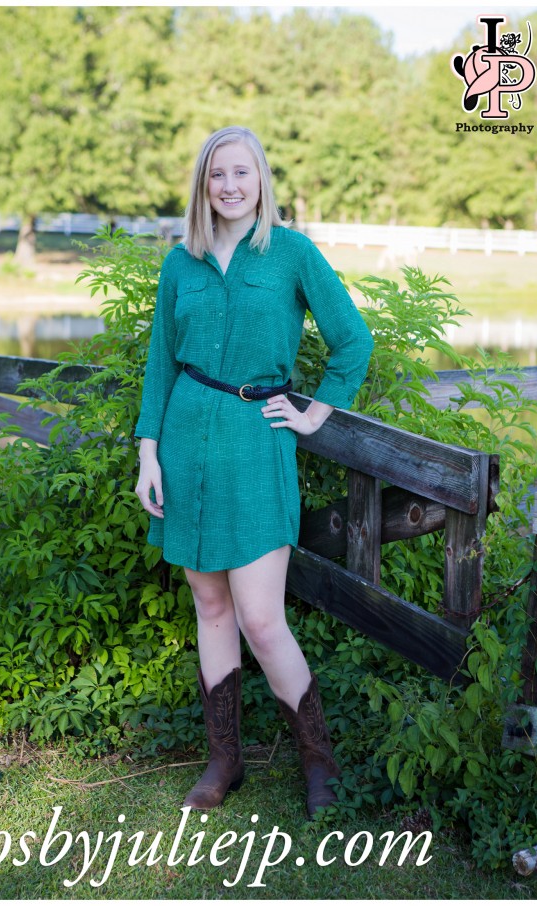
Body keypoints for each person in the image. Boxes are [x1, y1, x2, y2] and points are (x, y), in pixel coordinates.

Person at [133, 126, 373, 818]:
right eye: (217, 175)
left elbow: (353, 340)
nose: (229, 186)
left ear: (261, 180)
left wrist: (315, 414)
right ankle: (224, 760)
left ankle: (319, 763)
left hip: (255, 441)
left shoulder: (291, 253)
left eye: (241, 173)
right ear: (203, 186)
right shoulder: (182, 261)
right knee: (210, 606)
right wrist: (149, 451)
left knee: (263, 618)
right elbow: (159, 364)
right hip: (183, 440)